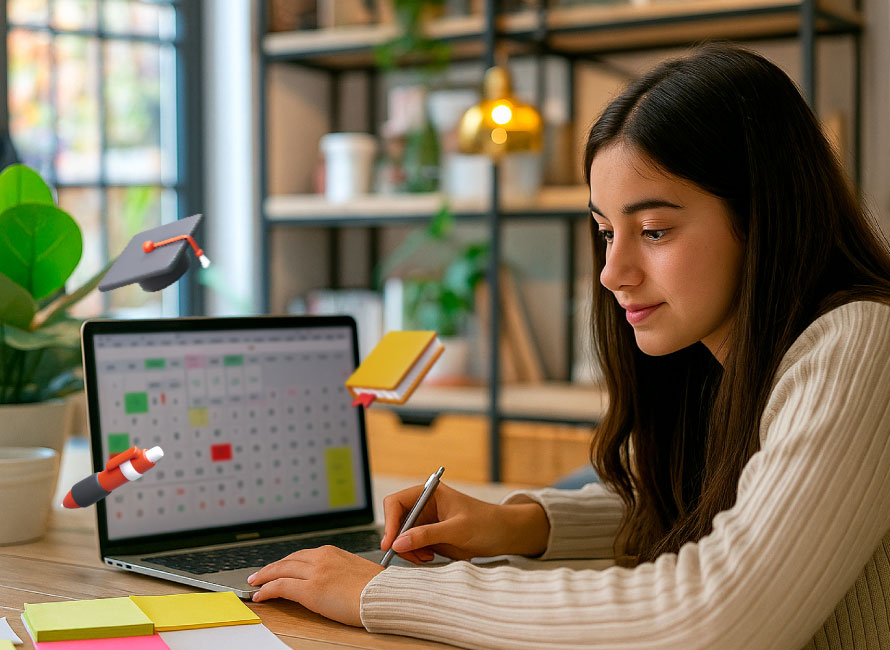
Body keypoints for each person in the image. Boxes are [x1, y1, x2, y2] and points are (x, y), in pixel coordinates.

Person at [247, 43, 890, 649]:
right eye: (607, 231)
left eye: (656, 230)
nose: (613, 272)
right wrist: (515, 525)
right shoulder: (717, 358)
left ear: (765, 217)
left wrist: (391, 592)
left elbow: (717, 615)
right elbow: (687, 499)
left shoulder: (860, 341)